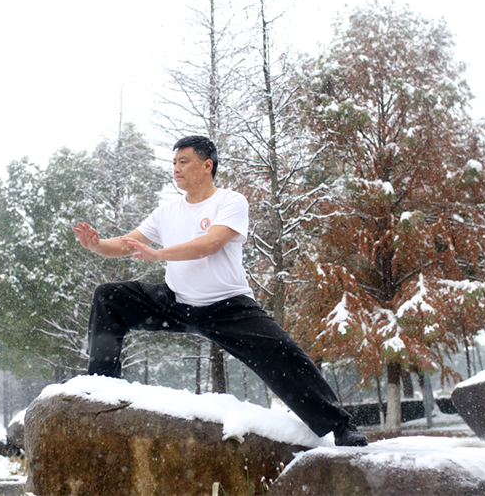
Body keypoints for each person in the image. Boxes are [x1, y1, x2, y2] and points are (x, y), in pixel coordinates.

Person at [72, 135, 368, 447]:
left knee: (285, 356)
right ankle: (101, 389)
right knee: (109, 297)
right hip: (176, 303)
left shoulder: (230, 202)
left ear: (207, 165)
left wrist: (159, 254)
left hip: (228, 308)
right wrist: (97, 245)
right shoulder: (166, 212)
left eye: (183, 161)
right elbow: (127, 243)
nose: (176, 168)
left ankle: (341, 426)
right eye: (174, 162)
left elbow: (210, 244)